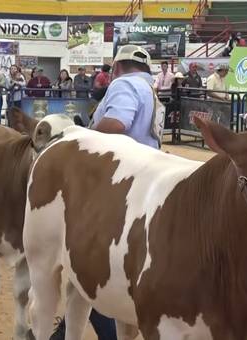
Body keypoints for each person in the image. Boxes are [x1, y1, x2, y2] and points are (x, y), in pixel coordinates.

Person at [51, 45, 159, 340]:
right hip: (146, 184)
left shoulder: (124, 84)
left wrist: (86, 133)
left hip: (118, 184)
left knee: (91, 260)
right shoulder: (150, 90)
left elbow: (117, 123)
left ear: (117, 67)